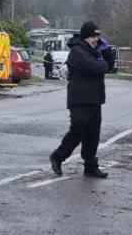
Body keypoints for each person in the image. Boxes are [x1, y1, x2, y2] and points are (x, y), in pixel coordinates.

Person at [49, 21, 112, 178]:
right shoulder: (78, 52)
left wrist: (107, 52)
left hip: (95, 99)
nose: (96, 39)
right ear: (85, 37)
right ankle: (58, 156)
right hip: (80, 99)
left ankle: (90, 166)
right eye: (92, 36)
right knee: (77, 131)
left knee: (93, 134)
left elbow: (108, 66)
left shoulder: (93, 51)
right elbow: (97, 68)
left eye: (97, 36)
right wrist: (101, 60)